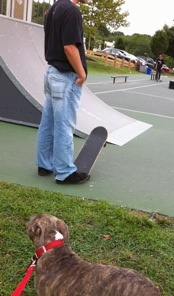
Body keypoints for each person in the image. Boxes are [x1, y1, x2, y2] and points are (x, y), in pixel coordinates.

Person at [36, 0, 89, 184]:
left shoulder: (54, 8)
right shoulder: (71, 11)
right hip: (65, 76)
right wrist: (81, 73)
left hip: (51, 73)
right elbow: (69, 46)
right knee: (64, 125)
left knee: (48, 122)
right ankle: (65, 172)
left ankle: (44, 165)